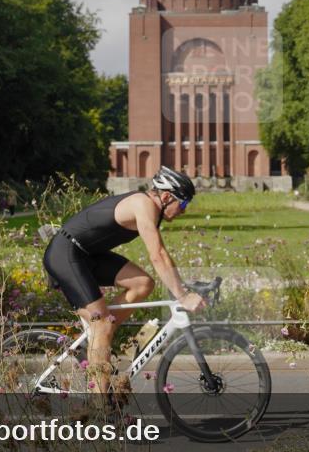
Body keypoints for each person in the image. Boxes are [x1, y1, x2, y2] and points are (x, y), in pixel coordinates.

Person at [42, 166, 205, 398]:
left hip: (87, 255)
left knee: (143, 283)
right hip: (65, 254)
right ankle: (100, 407)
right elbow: (157, 254)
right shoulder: (143, 204)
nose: (184, 211)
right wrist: (183, 296)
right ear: (167, 197)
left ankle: (100, 338)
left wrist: (182, 288)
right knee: (102, 324)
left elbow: (162, 257)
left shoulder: (151, 208)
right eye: (184, 203)